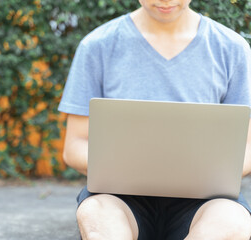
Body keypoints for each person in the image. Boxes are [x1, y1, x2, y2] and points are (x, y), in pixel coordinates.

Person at [58, 0, 251, 239]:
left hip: (206, 198)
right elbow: (74, 145)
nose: (166, 0)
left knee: (232, 223)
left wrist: (196, 172)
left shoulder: (232, 48)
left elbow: (247, 147)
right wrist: (133, 169)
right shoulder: (97, 45)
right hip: (120, 196)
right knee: (97, 216)